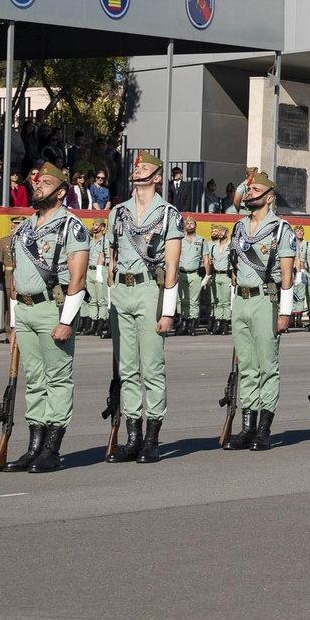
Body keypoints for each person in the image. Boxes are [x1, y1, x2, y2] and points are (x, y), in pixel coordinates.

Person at [0, 163, 90, 473]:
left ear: (61, 191)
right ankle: (33, 447)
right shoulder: (24, 228)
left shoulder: (71, 226)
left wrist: (66, 320)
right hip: (24, 310)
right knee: (34, 380)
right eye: (37, 182)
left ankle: (52, 449)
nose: (37, 186)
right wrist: (12, 321)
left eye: (46, 183)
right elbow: (13, 278)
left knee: (58, 379)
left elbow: (77, 278)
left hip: (53, 309)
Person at [103, 150, 183, 464]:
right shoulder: (118, 212)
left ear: (158, 176)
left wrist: (167, 311)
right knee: (126, 369)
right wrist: (111, 295)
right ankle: (133, 437)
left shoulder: (168, 214)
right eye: (136, 168)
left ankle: (152, 439)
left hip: (150, 289)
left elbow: (173, 267)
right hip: (122, 290)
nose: (138, 172)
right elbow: (111, 257)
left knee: (151, 368)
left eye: (145, 168)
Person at [221, 170, 298, 451]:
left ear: (269, 198)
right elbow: (234, 269)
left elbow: (287, 276)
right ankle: (246, 427)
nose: (248, 194)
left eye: (254, 192)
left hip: (266, 301)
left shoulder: (281, 230)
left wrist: (285, 313)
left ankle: (264, 430)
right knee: (247, 367)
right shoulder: (239, 227)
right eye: (249, 191)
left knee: (267, 366)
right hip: (241, 301)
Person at [176, 217, 206, 336]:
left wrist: (207, 275)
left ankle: (192, 326)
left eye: (192, 223)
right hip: (181, 273)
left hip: (195, 274)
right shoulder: (180, 240)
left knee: (194, 301)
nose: (189, 225)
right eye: (187, 224)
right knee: (182, 300)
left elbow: (206, 258)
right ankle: (183, 324)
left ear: (195, 226)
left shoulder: (201, 240)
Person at [84, 221, 109, 338]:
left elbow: (104, 256)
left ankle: (101, 324)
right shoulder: (90, 241)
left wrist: (100, 273)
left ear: (102, 227)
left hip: (100, 271)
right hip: (90, 271)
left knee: (101, 300)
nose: (94, 226)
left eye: (96, 224)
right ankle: (92, 324)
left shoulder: (105, 241)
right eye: (93, 224)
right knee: (92, 300)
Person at [207, 224, 232, 335]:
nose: (220, 233)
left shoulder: (231, 245)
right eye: (220, 231)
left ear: (227, 233)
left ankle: (225, 324)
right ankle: (217, 323)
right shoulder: (214, 246)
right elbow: (211, 260)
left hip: (226, 275)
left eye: (223, 231)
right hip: (216, 275)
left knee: (225, 301)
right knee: (217, 301)